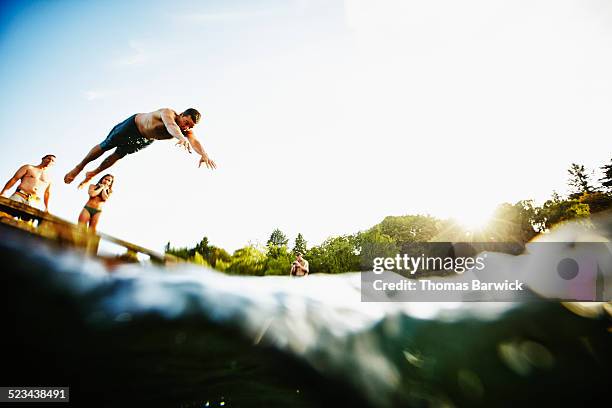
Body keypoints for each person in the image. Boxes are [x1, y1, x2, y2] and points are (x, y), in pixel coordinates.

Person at [64, 108, 217, 188]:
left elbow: (195, 141)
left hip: (144, 139)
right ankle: (80, 167)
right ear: (182, 114)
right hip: (133, 126)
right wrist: (181, 137)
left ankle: (93, 173)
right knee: (106, 145)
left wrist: (204, 154)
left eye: (190, 126)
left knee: (118, 155)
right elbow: (171, 126)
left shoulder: (186, 131)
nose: (186, 127)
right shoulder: (168, 113)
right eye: (186, 122)